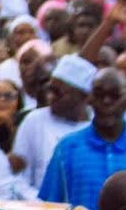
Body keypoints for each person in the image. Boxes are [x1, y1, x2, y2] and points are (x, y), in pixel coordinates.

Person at [39, 68, 126, 206]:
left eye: (115, 96)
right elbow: (49, 207)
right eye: (99, 95)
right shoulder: (67, 148)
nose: (106, 102)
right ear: (89, 99)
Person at [10, 54, 93, 193]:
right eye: (50, 90)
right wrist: (45, 205)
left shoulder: (96, 125)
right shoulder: (34, 121)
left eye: (58, 93)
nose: (50, 97)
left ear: (82, 96)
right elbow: (19, 179)